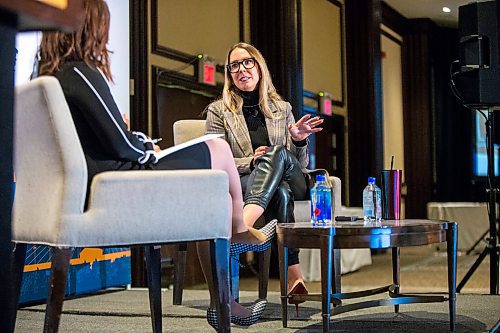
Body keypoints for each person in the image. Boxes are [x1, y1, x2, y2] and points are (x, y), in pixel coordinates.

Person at [36, 1, 270, 330]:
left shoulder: (48, 75)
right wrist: (147, 145)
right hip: (117, 185)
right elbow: (120, 142)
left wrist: (132, 138)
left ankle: (231, 248)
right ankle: (234, 233)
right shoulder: (80, 72)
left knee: (213, 159)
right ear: (91, 25)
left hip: (91, 186)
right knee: (216, 148)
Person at [205, 42, 324, 313]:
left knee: (280, 153)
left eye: (247, 62)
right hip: (246, 180)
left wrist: (299, 141)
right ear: (229, 74)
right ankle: (293, 276)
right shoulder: (218, 112)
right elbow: (215, 160)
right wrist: (252, 160)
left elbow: (300, 164)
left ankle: (242, 227)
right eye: (234, 65)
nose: (241, 69)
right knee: (279, 192)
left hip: (294, 179)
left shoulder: (282, 109)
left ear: (259, 67)